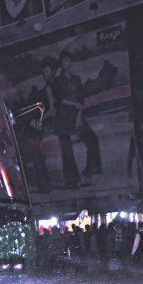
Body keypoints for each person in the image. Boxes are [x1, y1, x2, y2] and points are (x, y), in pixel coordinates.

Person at [53, 50, 101, 186]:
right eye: (62, 61)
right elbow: (60, 99)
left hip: (76, 116)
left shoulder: (77, 79)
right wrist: (74, 104)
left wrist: (79, 116)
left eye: (66, 60)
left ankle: (89, 173)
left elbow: (81, 100)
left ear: (71, 62)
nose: (64, 63)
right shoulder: (58, 81)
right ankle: (72, 180)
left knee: (92, 140)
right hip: (63, 118)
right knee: (66, 150)